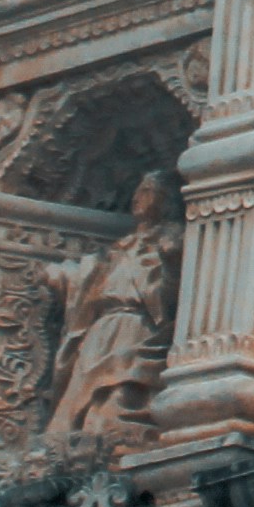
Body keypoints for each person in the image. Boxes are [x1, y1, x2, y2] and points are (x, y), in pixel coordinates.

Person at [48, 172, 180, 441]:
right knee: (84, 395)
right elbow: (93, 280)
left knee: (119, 389)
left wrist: (170, 264)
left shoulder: (172, 239)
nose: (137, 197)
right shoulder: (121, 246)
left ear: (166, 200)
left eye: (147, 190)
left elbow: (171, 297)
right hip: (103, 330)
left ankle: (112, 438)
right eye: (138, 190)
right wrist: (66, 276)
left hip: (136, 327)